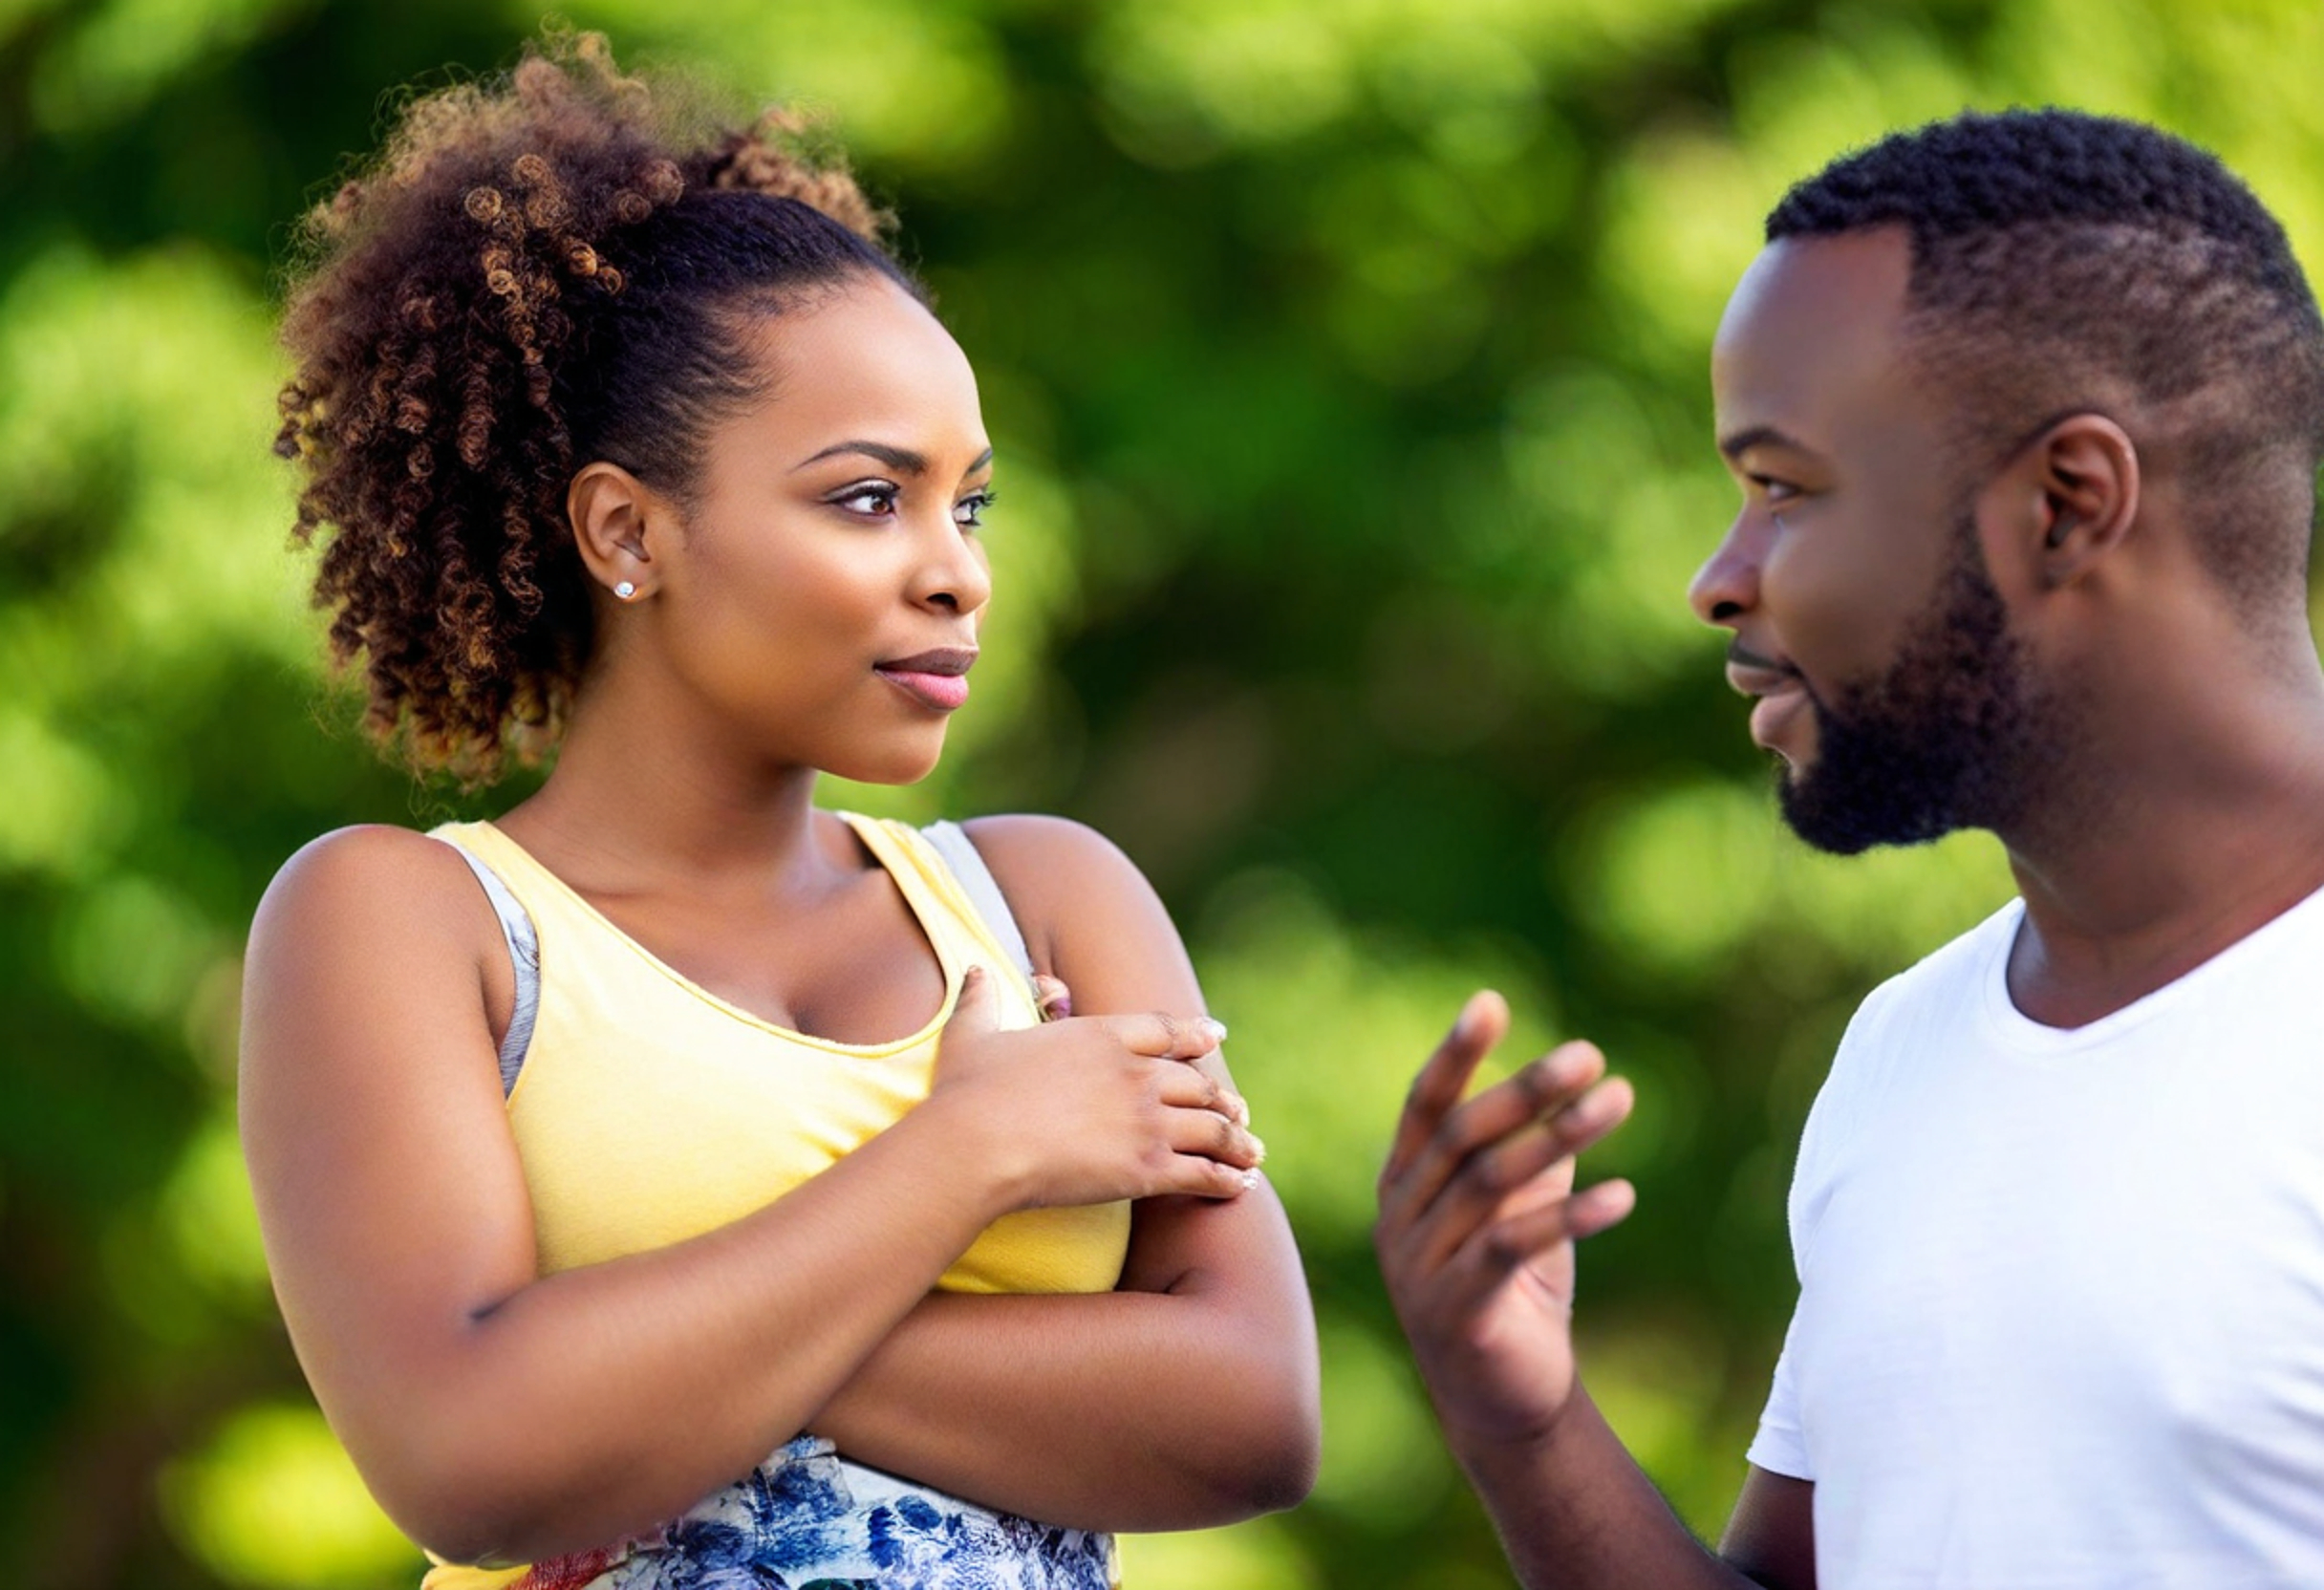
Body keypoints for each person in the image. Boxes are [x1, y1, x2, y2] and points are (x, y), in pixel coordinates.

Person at [239, 34, 1318, 1590]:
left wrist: (638, 1354)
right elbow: (472, 1460)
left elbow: (1252, 1418)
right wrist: (967, 1157)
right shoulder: (406, 921)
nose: (959, 571)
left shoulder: (1043, 902)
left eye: (972, 502)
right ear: (629, 529)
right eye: (870, 498)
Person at [1373, 106, 2324, 1589]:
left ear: (2066, 505)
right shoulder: (1906, 1048)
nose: (1718, 579)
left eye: (1783, 487)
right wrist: (1523, 1414)